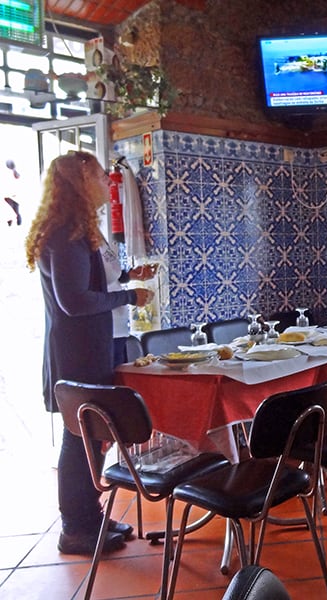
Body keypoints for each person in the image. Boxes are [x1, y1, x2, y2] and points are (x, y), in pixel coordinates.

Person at [24, 151, 155, 555]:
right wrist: (130, 295)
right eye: (100, 175)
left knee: (89, 435)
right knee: (78, 436)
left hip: (89, 349)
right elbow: (74, 301)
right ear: (81, 180)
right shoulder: (65, 234)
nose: (106, 181)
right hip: (77, 354)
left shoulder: (77, 229)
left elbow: (87, 281)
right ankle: (76, 528)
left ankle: (89, 516)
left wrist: (126, 278)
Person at [4, 159, 22, 226]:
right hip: (10, 195)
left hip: (12, 195)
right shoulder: (9, 172)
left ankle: (12, 220)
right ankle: (11, 220)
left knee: (14, 210)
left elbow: (17, 176)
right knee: (13, 210)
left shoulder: (14, 172)